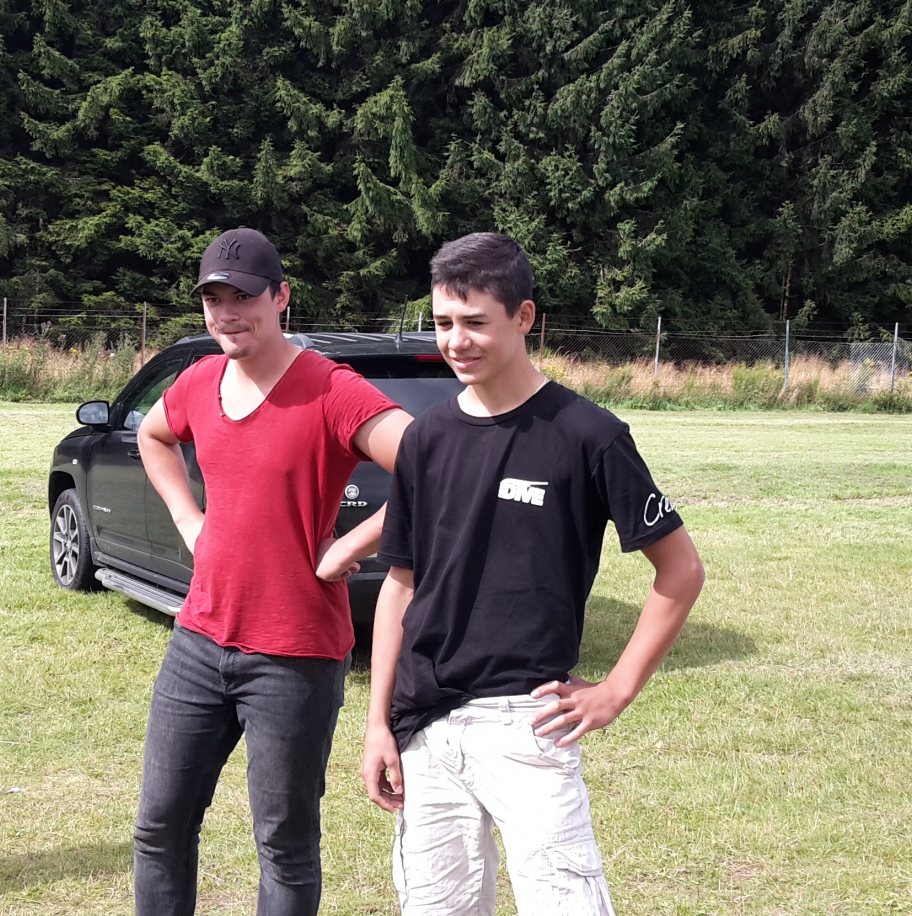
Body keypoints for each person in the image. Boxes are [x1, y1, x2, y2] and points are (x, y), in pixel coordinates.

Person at [359, 232, 706, 916]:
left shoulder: (589, 435)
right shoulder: (425, 440)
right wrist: (377, 723)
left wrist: (616, 690)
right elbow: (401, 585)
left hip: (528, 723)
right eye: (443, 323)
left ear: (524, 318)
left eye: (475, 322)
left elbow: (681, 569)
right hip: (425, 726)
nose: (456, 341)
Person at [132, 228, 411, 916]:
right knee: (159, 829)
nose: (228, 314)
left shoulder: (328, 388)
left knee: (283, 846)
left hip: (295, 656)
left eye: (244, 297)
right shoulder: (200, 380)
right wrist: (190, 521)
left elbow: (432, 465)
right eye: (214, 299)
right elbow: (152, 434)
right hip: (199, 642)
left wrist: (348, 548)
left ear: (281, 297)